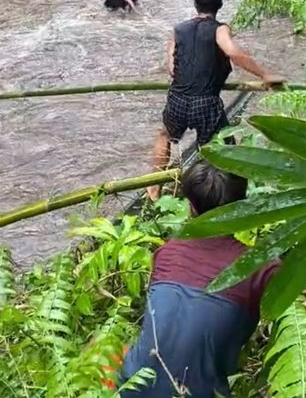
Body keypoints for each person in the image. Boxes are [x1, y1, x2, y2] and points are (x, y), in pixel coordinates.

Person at [118, 160, 280, 397]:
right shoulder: (261, 268)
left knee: (106, 348)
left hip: (132, 387)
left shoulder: (167, 253)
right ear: (242, 208)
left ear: (191, 207)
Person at [147, 0, 284, 200]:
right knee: (223, 144)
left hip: (178, 99)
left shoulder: (178, 30)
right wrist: (265, 74)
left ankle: (153, 189)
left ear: (195, 3)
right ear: (220, 4)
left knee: (165, 135)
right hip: (206, 102)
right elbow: (233, 52)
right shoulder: (220, 29)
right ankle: (222, 192)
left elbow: (172, 68)